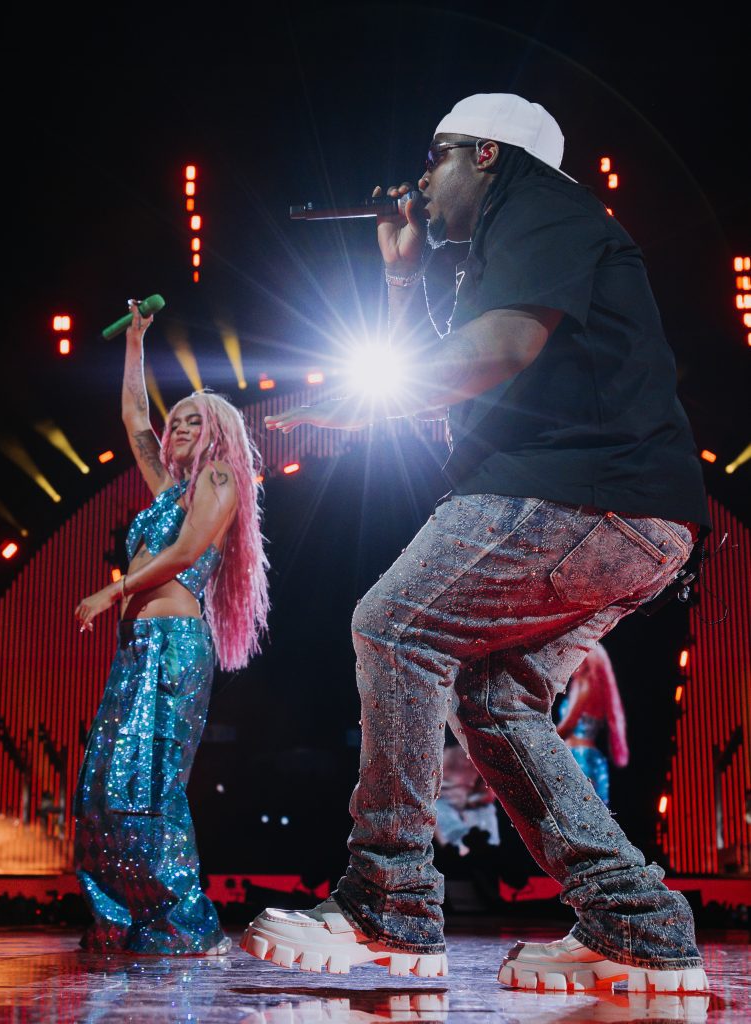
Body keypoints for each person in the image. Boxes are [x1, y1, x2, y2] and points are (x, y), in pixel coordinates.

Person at [241, 94, 710, 991]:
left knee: (395, 625)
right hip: (628, 519)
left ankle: (388, 905)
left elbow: (489, 351)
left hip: (578, 495)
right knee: (492, 701)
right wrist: (402, 278)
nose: (422, 180)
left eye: (437, 156)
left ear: (487, 154)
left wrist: (351, 400)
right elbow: (463, 376)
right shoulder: (513, 240)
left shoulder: (546, 205)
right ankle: (637, 926)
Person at [73, 300, 269, 954]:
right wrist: (135, 342)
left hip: (173, 648)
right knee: (102, 785)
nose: (178, 425)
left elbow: (184, 554)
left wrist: (114, 590)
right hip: (136, 651)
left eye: (193, 418)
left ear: (215, 432)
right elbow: (134, 420)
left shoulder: (217, 479)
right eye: (176, 418)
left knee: (145, 784)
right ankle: (124, 918)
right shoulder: (166, 486)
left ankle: (182, 925)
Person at [557, 642, 629, 805]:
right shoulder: (598, 688)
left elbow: (568, 727)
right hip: (590, 759)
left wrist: (538, 739)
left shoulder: (584, 685)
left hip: (577, 758)